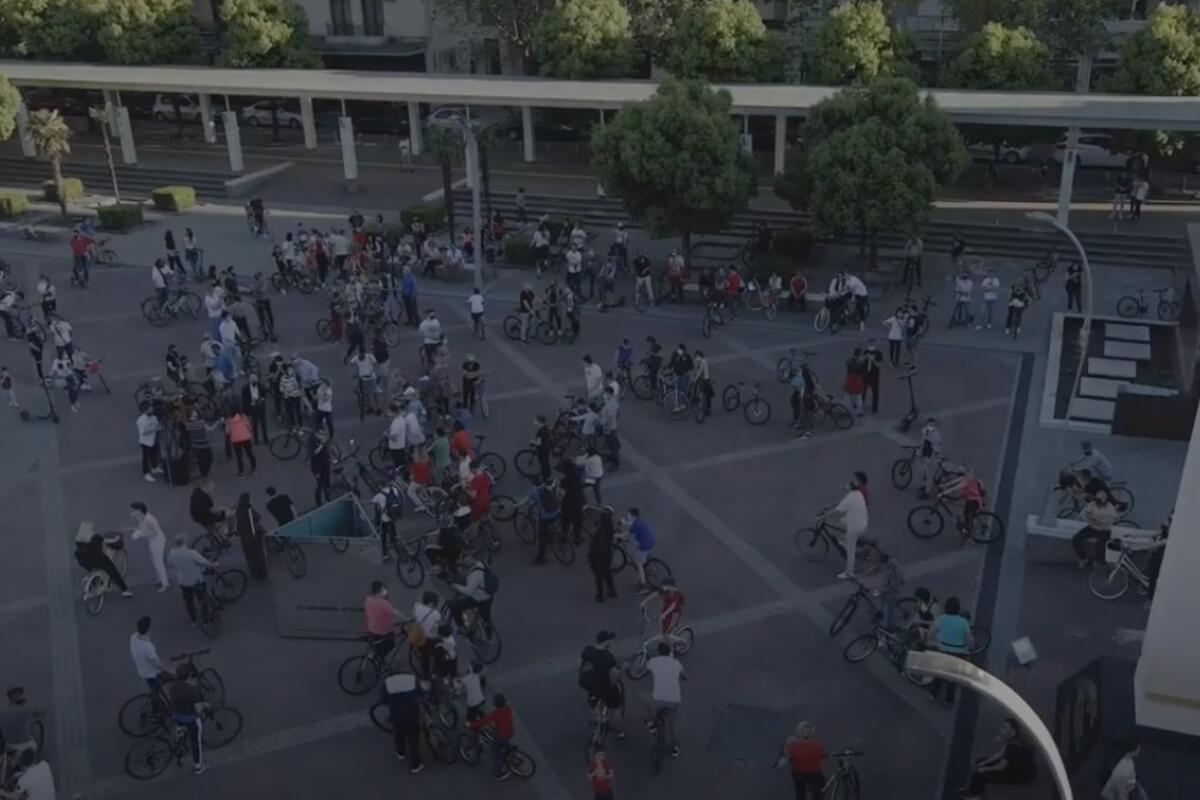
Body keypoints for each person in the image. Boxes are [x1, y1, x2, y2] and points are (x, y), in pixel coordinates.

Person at [958, 717, 1036, 799]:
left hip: (1017, 774)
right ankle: (977, 788)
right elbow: (1000, 753)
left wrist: (985, 768)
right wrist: (985, 762)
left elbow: (1001, 766)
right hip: (1013, 765)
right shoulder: (1015, 738)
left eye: (1005, 728)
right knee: (979, 762)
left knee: (980, 774)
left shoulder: (1013, 746)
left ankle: (975, 795)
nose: (1001, 729)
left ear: (1012, 731)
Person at [927, 596, 973, 705]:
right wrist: (971, 648)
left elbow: (930, 633)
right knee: (953, 677)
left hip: (942, 649)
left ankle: (933, 693)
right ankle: (949, 700)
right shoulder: (963, 622)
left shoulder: (941, 619)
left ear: (946, 608)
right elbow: (969, 640)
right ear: (958, 609)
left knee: (939, 673)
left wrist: (933, 641)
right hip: (958, 652)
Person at [164, 664, 208, 774]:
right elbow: (198, 709)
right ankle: (198, 766)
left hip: (177, 715)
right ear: (189, 676)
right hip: (191, 719)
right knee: (195, 742)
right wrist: (204, 705)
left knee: (181, 731)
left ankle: (179, 743)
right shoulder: (193, 689)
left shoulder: (172, 686)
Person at [643, 642, 684, 758]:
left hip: (658, 699)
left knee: (643, 697)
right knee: (672, 725)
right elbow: (684, 676)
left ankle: (650, 723)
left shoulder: (653, 661)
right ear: (670, 652)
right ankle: (676, 748)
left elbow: (644, 670)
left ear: (659, 651)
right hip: (674, 700)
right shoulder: (676, 663)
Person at [579, 631, 624, 734]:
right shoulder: (607, 655)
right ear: (606, 642)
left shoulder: (587, 650)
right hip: (603, 686)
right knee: (615, 705)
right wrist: (623, 669)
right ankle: (621, 733)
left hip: (588, 684)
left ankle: (598, 719)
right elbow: (616, 671)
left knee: (593, 701)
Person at [166, 535, 214, 625]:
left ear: (175, 544)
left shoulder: (172, 554)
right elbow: (205, 562)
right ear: (184, 542)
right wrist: (213, 564)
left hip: (184, 582)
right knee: (202, 599)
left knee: (188, 602)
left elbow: (169, 562)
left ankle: (194, 620)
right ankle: (205, 620)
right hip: (197, 581)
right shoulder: (192, 553)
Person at [829, 472, 869, 580]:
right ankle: (846, 542)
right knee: (841, 522)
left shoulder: (852, 497)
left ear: (859, 482)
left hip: (855, 527)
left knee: (851, 550)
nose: (853, 480)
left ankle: (848, 572)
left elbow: (836, 511)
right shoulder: (858, 492)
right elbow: (847, 490)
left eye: (855, 479)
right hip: (860, 520)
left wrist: (823, 517)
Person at [73, 525, 132, 597]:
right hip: (99, 561)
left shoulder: (78, 541)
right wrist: (116, 539)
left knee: (93, 569)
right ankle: (125, 590)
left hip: (85, 562)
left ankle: (93, 581)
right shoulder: (95, 537)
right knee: (113, 572)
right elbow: (106, 540)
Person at [470, 693, 518, 780]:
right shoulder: (508, 708)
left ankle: (500, 773)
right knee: (503, 742)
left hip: (502, 735)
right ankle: (513, 754)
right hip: (510, 732)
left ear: (495, 704)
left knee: (494, 750)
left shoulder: (496, 714)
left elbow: (484, 721)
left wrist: (471, 725)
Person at [775, 721, 825, 800]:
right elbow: (822, 756)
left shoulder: (792, 746)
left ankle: (814, 794)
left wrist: (777, 764)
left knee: (800, 791)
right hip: (814, 774)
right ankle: (816, 794)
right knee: (819, 786)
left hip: (799, 774)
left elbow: (786, 758)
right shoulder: (818, 746)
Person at [1072, 487, 1118, 567]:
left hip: (1104, 529)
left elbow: (1108, 520)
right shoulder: (1092, 505)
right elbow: (1084, 516)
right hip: (1092, 528)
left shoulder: (1110, 507)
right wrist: (1093, 519)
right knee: (1076, 539)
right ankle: (1083, 558)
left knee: (1101, 545)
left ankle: (1097, 560)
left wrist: (1094, 519)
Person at [448, 558, 495, 635]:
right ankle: (489, 636)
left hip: (479, 599)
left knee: (453, 605)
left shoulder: (475, 575)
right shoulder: (482, 563)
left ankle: (461, 628)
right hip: (489, 596)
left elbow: (468, 592)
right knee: (486, 617)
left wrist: (455, 586)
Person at [130, 502, 169, 592]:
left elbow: (156, 531)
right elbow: (143, 528)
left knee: (158, 563)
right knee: (155, 561)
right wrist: (136, 531)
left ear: (139, 511)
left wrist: (141, 534)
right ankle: (160, 578)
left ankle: (165, 584)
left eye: (133, 510)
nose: (132, 513)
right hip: (152, 541)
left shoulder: (150, 519)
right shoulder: (140, 518)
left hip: (157, 542)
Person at [129, 616, 169, 691]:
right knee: (164, 682)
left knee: (153, 687)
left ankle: (155, 695)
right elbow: (156, 663)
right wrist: (167, 669)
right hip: (153, 673)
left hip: (143, 670)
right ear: (148, 628)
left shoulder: (133, 637)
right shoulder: (147, 647)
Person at [587, 507, 618, 603]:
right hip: (607, 556)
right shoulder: (609, 527)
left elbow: (595, 547)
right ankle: (612, 591)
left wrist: (590, 556)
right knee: (607, 574)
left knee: (599, 577)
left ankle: (600, 596)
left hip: (598, 558)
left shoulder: (600, 532)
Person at [235, 492, 268, 580]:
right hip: (254, 536)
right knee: (259, 555)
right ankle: (262, 573)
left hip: (245, 538)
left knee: (250, 557)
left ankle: (255, 574)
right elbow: (258, 517)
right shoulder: (249, 509)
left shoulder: (238, 511)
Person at [529, 476, 561, 565]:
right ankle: (552, 536)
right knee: (550, 527)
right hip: (557, 513)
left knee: (542, 538)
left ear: (533, 484)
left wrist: (517, 505)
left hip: (545, 517)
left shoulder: (534, 492)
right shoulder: (548, 486)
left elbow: (528, 501)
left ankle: (541, 558)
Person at [625, 507, 656, 589]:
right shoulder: (639, 521)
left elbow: (628, 534)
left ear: (634, 516)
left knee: (639, 564)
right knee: (645, 553)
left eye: (629, 515)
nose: (627, 516)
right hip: (651, 541)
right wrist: (624, 522)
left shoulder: (635, 526)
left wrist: (617, 535)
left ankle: (643, 583)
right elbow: (630, 525)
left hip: (644, 545)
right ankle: (652, 568)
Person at [224, 408, 257, 477]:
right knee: (249, 453)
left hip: (235, 439)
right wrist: (251, 432)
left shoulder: (229, 419)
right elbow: (248, 425)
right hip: (246, 437)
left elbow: (227, 431)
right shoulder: (243, 416)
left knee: (239, 456)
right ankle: (254, 468)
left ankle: (241, 472)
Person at [136, 403, 162, 482]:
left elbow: (157, 425)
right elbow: (143, 431)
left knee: (154, 454)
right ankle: (146, 473)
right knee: (146, 458)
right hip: (145, 442)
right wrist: (154, 429)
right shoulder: (141, 420)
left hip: (153, 440)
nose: (152, 410)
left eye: (152, 409)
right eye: (150, 409)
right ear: (146, 410)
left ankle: (154, 467)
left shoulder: (154, 417)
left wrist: (157, 428)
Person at [918, 418, 943, 498]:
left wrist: (931, 460)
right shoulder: (925, 431)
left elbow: (936, 449)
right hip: (926, 454)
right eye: (930, 425)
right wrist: (919, 451)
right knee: (924, 472)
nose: (931, 427)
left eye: (933, 425)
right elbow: (923, 442)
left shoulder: (936, 435)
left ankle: (927, 493)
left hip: (932, 457)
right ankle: (926, 486)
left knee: (929, 475)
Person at [860, 341, 882, 415]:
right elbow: (861, 361)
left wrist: (873, 360)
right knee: (863, 390)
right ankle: (861, 404)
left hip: (874, 375)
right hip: (865, 374)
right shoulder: (865, 351)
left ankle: (874, 408)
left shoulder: (878, 353)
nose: (871, 345)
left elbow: (879, 365)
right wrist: (864, 358)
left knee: (875, 392)